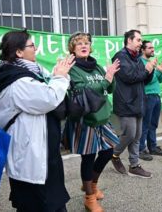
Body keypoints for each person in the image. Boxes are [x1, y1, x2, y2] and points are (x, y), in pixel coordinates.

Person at [0, 30, 75, 212]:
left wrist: (59, 75)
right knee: (39, 204)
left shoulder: (29, 72)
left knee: (50, 202)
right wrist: (60, 76)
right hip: (32, 157)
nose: (36, 49)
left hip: (44, 153)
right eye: (31, 45)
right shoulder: (19, 81)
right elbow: (48, 98)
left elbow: (50, 87)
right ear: (19, 52)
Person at [66, 32, 120, 212]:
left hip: (103, 117)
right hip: (86, 119)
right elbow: (82, 90)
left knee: (108, 151)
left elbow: (109, 88)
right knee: (88, 158)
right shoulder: (72, 68)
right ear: (72, 48)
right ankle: (89, 198)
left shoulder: (96, 66)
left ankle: (92, 184)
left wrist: (111, 75)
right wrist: (105, 80)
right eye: (79, 43)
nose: (84, 45)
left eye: (87, 43)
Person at [111, 29, 155, 178]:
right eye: (138, 40)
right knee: (129, 135)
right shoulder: (120, 57)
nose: (140, 43)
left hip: (138, 102)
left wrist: (151, 70)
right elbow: (129, 76)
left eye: (141, 40)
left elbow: (144, 79)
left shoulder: (136, 58)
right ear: (129, 40)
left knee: (136, 136)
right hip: (126, 103)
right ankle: (114, 155)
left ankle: (134, 165)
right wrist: (146, 70)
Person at [138, 40, 162, 161]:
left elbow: (159, 80)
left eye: (153, 47)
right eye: (149, 48)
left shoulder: (152, 62)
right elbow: (146, 80)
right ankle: (141, 149)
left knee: (153, 124)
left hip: (156, 95)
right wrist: (153, 69)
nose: (152, 50)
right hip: (147, 96)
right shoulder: (141, 62)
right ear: (143, 50)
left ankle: (152, 146)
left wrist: (159, 70)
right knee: (145, 124)